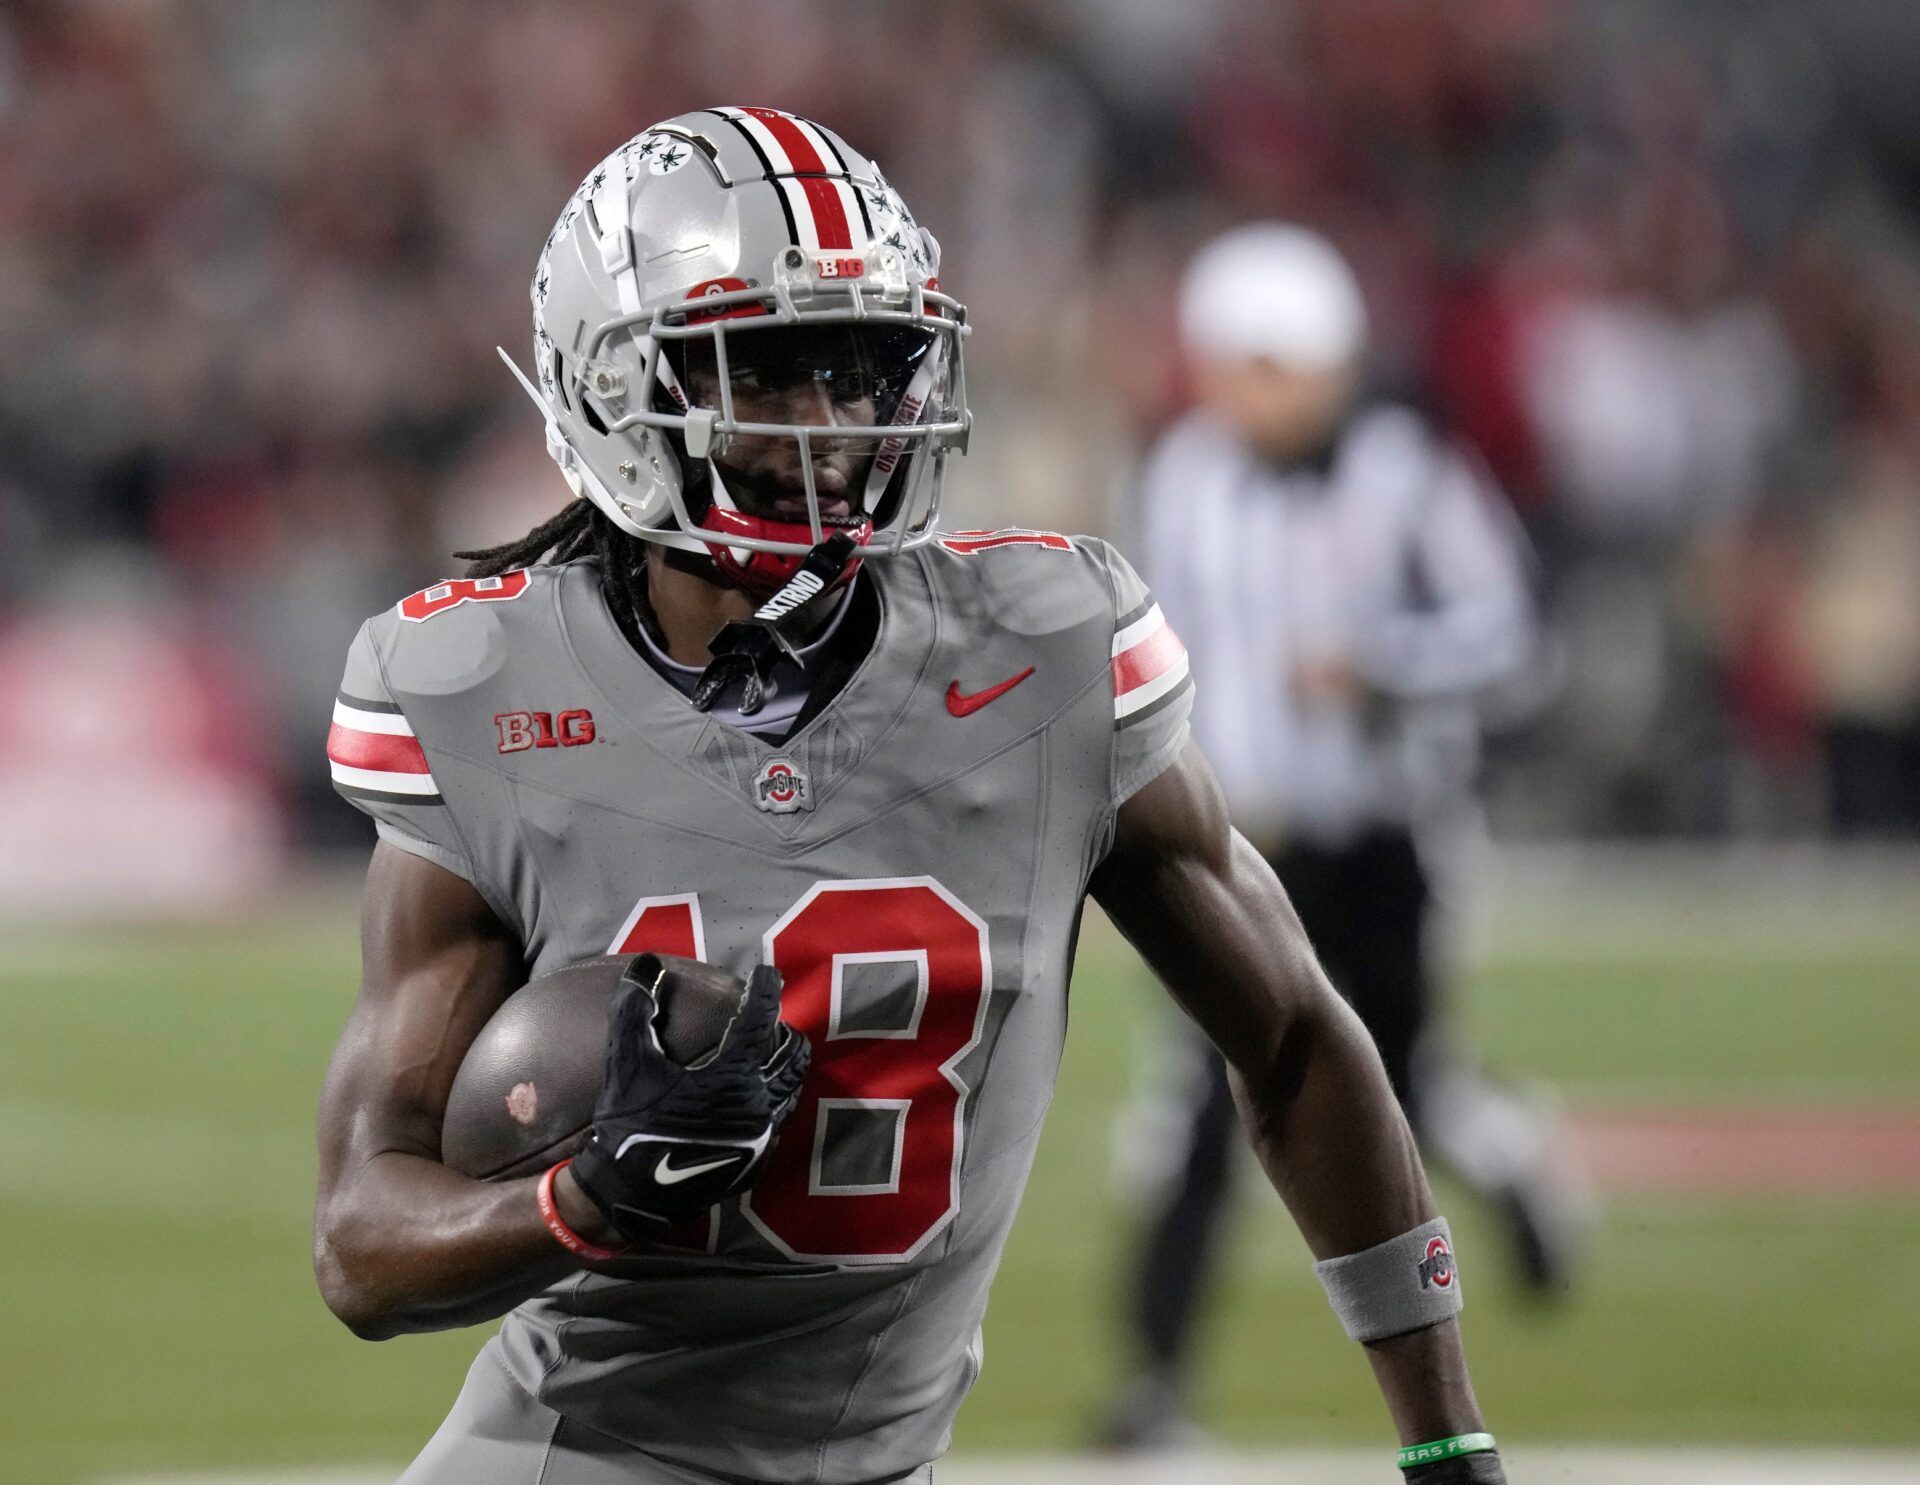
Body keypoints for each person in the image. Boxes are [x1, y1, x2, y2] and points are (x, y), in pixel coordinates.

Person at [313, 111, 1510, 1485]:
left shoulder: (1047, 654)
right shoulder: (483, 686)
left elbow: (1293, 1035)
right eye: (763, 368)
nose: (828, 420)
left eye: (861, 364)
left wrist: (1447, 1433)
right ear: (611, 385)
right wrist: (576, 1203)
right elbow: (362, 1241)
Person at [1096, 223, 1586, 1450]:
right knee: (1204, 1109)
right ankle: (1157, 1388)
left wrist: (1380, 673)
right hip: (1235, 847)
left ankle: (1511, 1167)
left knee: (1392, 1090)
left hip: (1378, 842)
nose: (1266, 390)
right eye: (1245, 363)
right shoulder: (1178, 478)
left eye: (1288, 363)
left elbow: (1516, 637)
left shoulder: (1408, 470)